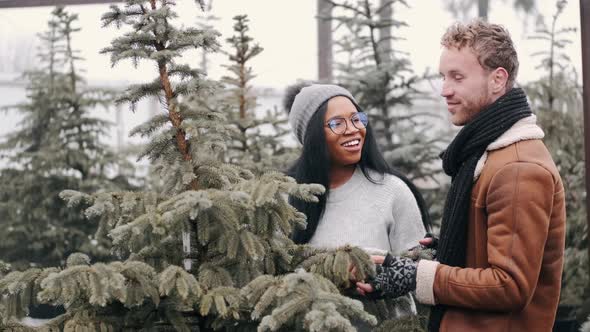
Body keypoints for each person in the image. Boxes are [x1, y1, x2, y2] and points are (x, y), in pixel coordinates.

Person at [354, 19, 567, 332]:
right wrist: (453, 245)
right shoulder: (489, 155)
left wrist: (419, 276)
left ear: (497, 80)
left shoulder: (517, 170)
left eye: (457, 77)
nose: (445, 90)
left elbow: (509, 285)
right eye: (443, 76)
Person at [284, 82, 431, 319]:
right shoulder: (288, 197)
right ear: (311, 136)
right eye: (337, 123)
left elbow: (419, 273)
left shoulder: (392, 191)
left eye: (356, 119)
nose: (353, 129)